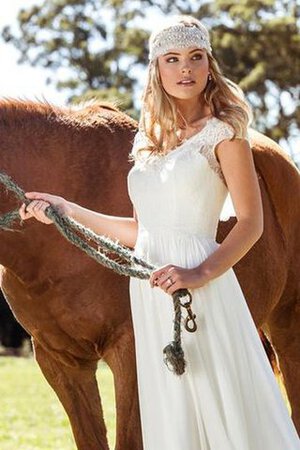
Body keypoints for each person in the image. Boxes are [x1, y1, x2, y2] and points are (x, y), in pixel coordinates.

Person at [19, 15, 300, 450]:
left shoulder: (226, 133)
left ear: (209, 65)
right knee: (170, 418)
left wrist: (199, 274)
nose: (184, 69)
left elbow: (251, 223)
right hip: (150, 290)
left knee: (223, 409)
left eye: (195, 57)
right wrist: (63, 209)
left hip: (200, 288)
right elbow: (137, 229)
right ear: (157, 68)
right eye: (172, 59)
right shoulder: (148, 141)